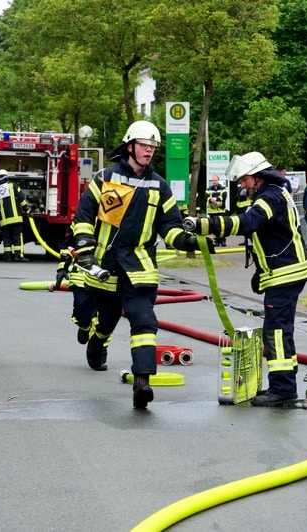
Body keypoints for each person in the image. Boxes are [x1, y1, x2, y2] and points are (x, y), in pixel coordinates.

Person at [71, 120, 206, 409]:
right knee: (105, 319)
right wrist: (84, 246)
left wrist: (188, 241)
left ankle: (142, 382)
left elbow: (170, 227)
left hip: (140, 266)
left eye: (153, 146)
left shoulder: (160, 186)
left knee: (144, 320)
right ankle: (97, 342)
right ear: (130, 146)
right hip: (106, 263)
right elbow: (83, 216)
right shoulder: (106, 178)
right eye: (145, 145)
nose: (149, 151)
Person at [190, 151, 307, 407]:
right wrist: (261, 272)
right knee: (278, 331)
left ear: (258, 177)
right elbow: (269, 237)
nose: (242, 185)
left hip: (285, 274)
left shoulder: (271, 196)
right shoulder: (273, 194)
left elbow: (248, 223)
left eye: (245, 180)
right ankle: (283, 385)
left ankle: (283, 390)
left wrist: (207, 224)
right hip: (281, 273)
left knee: (276, 332)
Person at [54, 226, 107, 360]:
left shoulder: (116, 218)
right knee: (82, 312)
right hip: (81, 278)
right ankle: (84, 326)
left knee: (103, 317)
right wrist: (62, 268)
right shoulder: (80, 222)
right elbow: (67, 247)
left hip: (105, 278)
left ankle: (99, 355)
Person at [0, 169, 30, 262]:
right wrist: (27, 210)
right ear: (7, 177)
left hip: (4, 221)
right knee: (17, 237)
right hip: (16, 219)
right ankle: (18, 255)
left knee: (6, 238)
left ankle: (7, 256)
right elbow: (22, 199)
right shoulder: (13, 186)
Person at [206, 174, 228, 246]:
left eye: (215, 180)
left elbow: (224, 196)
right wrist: (211, 200)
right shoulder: (209, 189)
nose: (214, 181)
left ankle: (223, 240)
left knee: (222, 225)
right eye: (213, 180)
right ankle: (216, 241)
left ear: (218, 180)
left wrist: (216, 199)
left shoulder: (223, 188)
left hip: (221, 210)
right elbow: (206, 196)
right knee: (214, 226)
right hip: (212, 211)